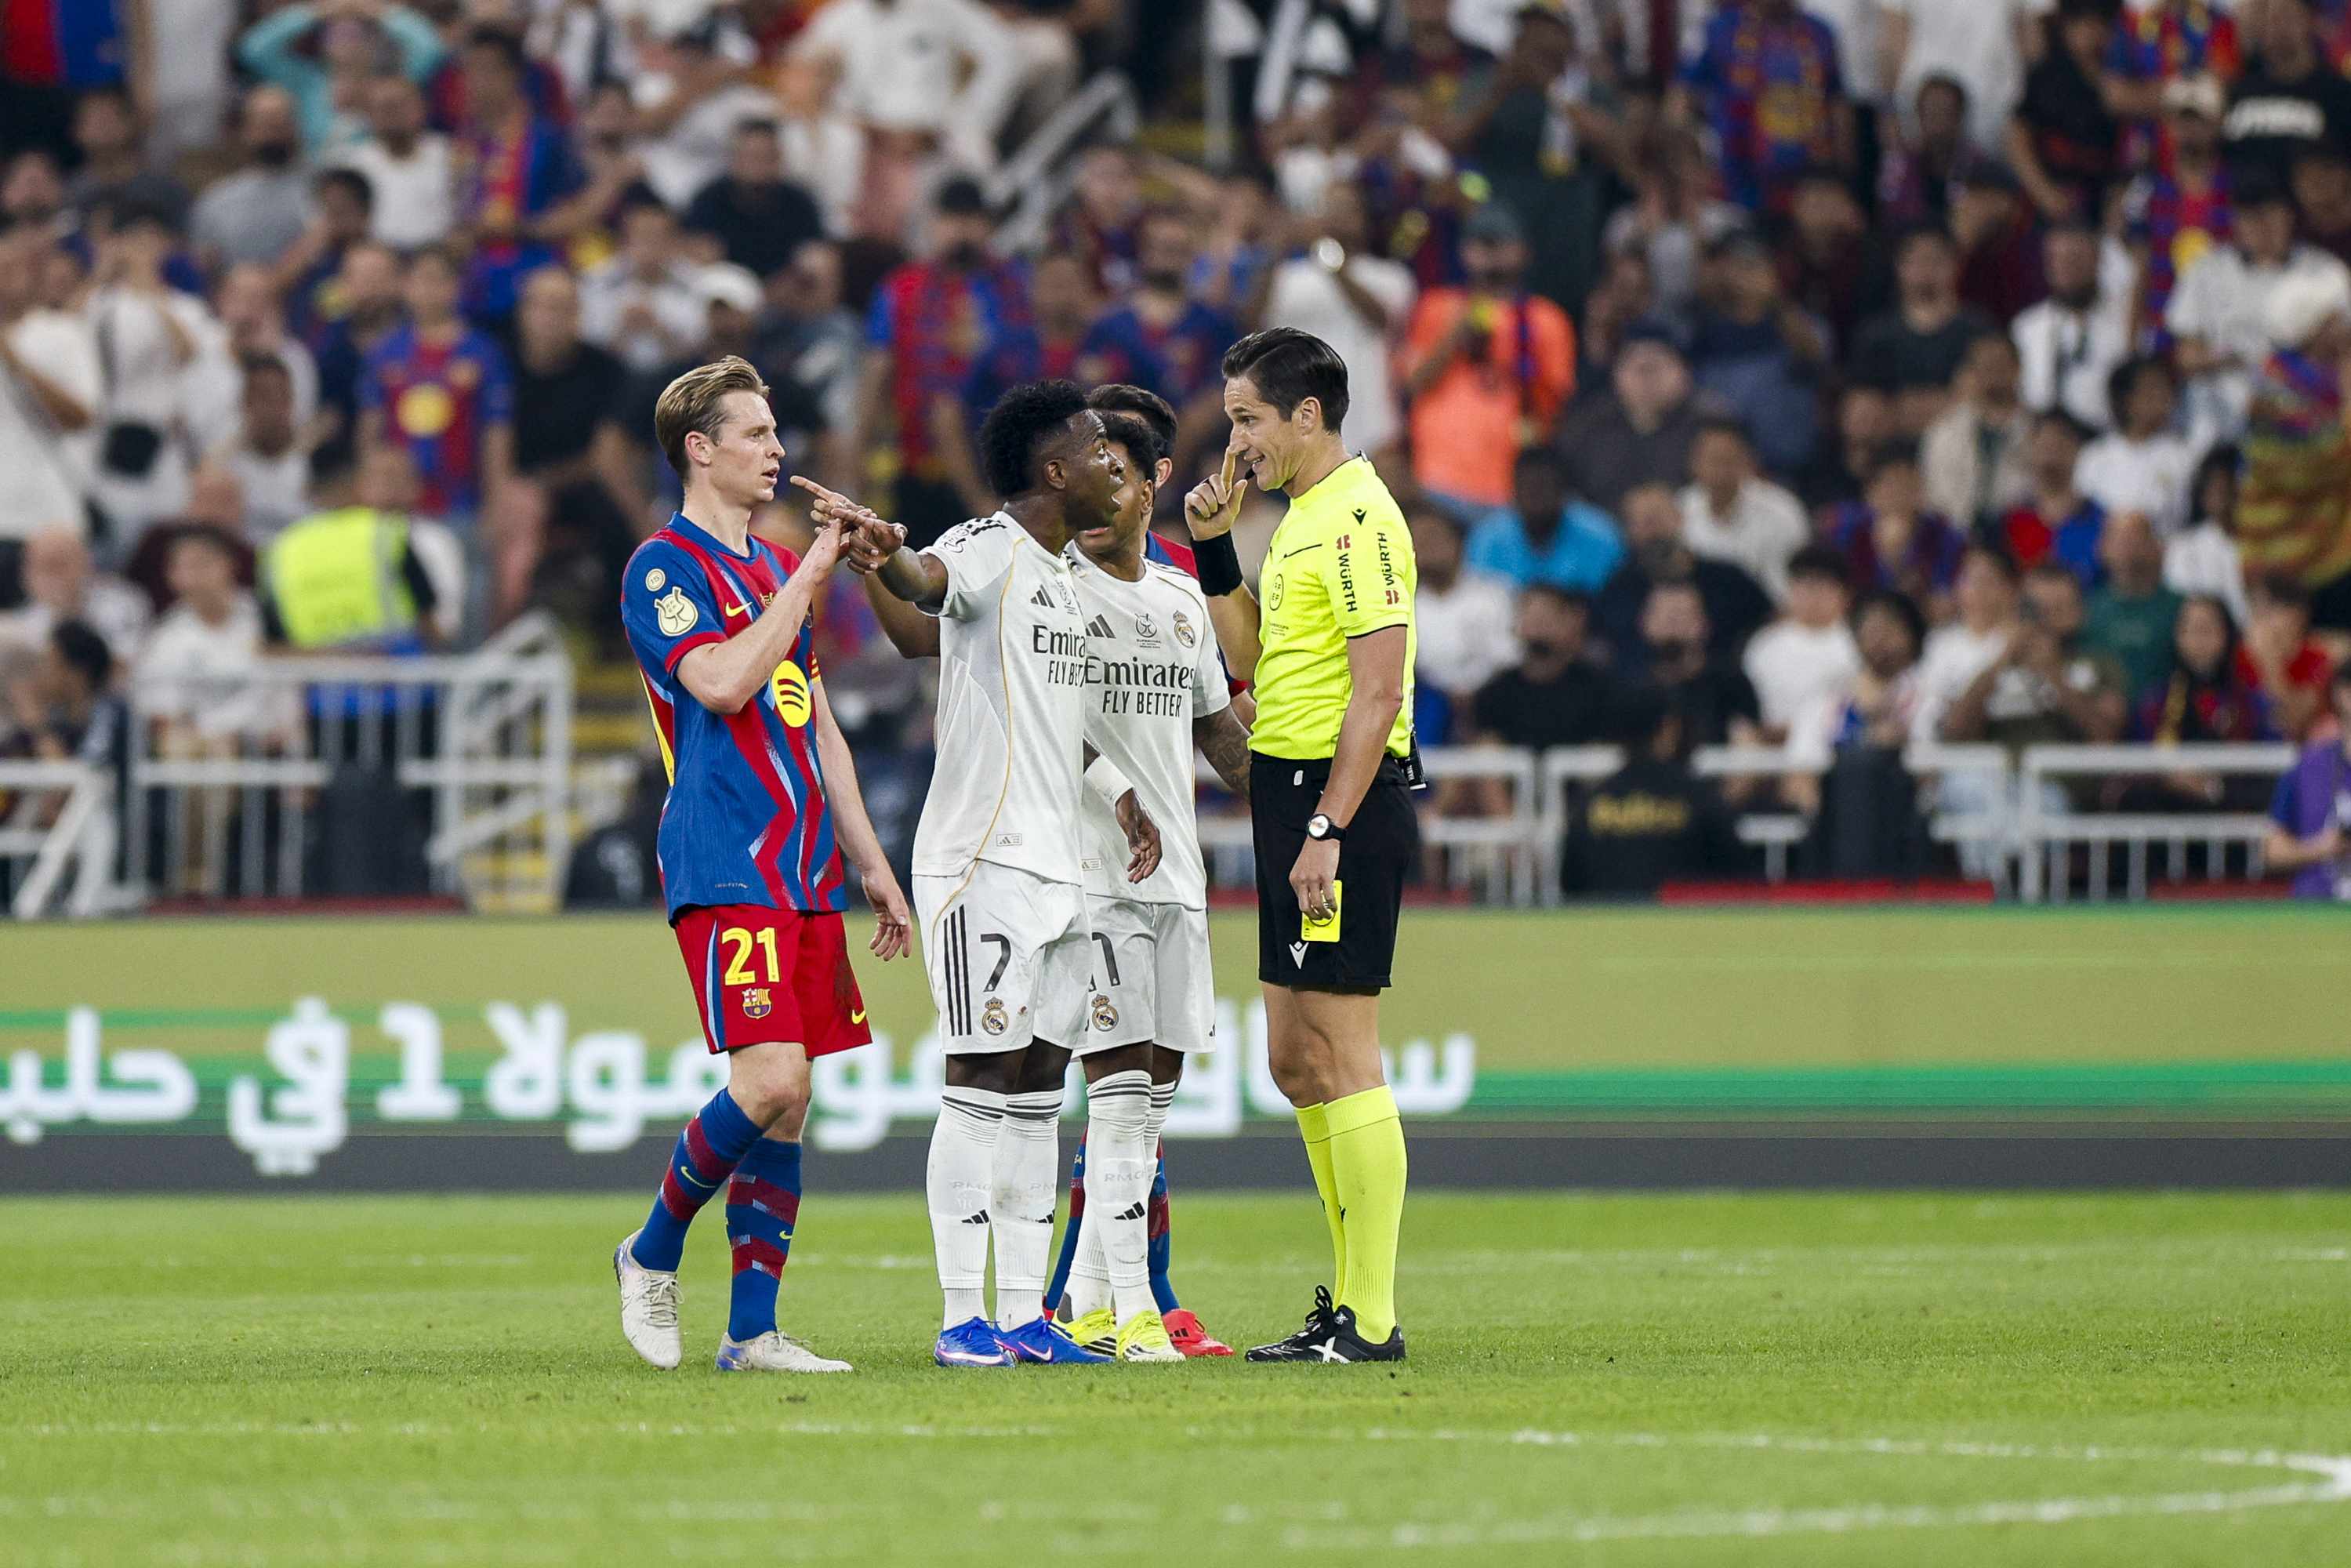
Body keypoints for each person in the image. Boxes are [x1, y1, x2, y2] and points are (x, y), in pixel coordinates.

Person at [822, 380, 1145, 1369]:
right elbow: (926, 585)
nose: (1112, 462)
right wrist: (884, 556)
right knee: (978, 1073)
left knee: (1040, 1085)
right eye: (1095, 446)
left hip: (1062, 864)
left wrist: (1117, 792)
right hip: (981, 858)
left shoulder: (1069, 578)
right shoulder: (986, 544)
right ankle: (961, 1314)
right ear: (1053, 469)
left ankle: (1023, 1315)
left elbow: (1049, 714)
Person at [609, 356, 912, 1377]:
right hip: (721, 849)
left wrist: (871, 860)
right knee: (768, 1076)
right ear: (699, 450)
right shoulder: (663, 567)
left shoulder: (774, 570)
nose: (777, 450)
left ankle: (751, 1332)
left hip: (802, 862)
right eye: (755, 434)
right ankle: (650, 1250)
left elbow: (814, 722)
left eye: (777, 434)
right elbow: (726, 683)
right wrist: (812, 572)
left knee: (792, 1097)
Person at [1180, 328, 1416, 1363]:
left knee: (1344, 1051)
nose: (1235, 441)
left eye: (1247, 419)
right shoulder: (1298, 520)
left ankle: (1370, 1316)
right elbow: (1253, 659)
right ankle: (1347, 1303)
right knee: (1292, 1059)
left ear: (1306, 415)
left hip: (1335, 800)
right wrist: (1212, 548)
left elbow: (1378, 693)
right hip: (1284, 791)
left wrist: (1327, 826)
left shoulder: (1360, 518)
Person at [1030, 409, 1253, 1363]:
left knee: (1148, 1110)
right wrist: (1116, 795)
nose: (1092, 495)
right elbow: (1045, 726)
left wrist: (1308, 794)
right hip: (1091, 877)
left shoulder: (1179, 598)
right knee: (1118, 1102)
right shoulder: (1051, 593)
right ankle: (1133, 1317)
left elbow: (1219, 735)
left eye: (1111, 475)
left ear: (1149, 484)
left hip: (1176, 882)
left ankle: (1082, 1306)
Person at [854, 177, 1032, 549]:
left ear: (989, 225)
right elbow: (875, 375)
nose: (963, 230)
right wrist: (859, 466)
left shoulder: (1018, 286)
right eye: (952, 218)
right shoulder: (902, 289)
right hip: (921, 469)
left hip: (1008, 470)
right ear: (934, 224)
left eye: (973, 218)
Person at [1396, 201, 1576, 520]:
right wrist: (1455, 337)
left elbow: (1556, 404)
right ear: (1463, 251)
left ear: (1524, 250)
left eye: (1500, 243)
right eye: (1480, 243)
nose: (1490, 254)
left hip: (1514, 487)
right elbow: (1411, 385)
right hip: (1438, 480)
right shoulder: (1437, 307)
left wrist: (1510, 352)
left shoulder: (1546, 318)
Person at [2168, 179, 2351, 450]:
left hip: (2306, 425)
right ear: (2236, 221)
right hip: (2224, 426)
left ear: (2289, 217)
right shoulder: (2207, 271)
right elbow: (2185, 356)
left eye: (2269, 215)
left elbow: (2344, 351)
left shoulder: (2325, 272)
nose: (2261, 227)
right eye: (2250, 217)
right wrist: (2247, 358)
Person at [359, 244, 514, 545]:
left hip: (461, 504)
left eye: (437, 280)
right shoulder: (385, 352)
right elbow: (370, 428)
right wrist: (370, 490)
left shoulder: (483, 353)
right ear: (404, 286)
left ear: (455, 286)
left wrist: (496, 502)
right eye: (420, 280)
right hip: (396, 507)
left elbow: (496, 432)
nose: (428, 290)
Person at [1261, 183, 1414, 466]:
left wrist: (1326, 253)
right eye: (1330, 208)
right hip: (1301, 430)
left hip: (1373, 429)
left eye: (1348, 209)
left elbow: (1382, 320)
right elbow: (1255, 324)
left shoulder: (1391, 277)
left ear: (1367, 218)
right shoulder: (1289, 276)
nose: (1338, 216)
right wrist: (1275, 250)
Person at [2234, 264, 2351, 631]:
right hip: (2279, 551)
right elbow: (2322, 458)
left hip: (2335, 549)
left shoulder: (2335, 376)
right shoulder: (2272, 387)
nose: (2346, 327)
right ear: (2313, 328)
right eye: (2336, 320)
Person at [1560, 682, 1743, 895]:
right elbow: (1735, 872)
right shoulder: (1699, 798)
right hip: (1684, 914)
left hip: (1607, 914)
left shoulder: (1591, 804)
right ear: (1669, 727)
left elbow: (1570, 883)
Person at [1678, 0, 1851, 219]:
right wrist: (1689, 172)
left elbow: (1838, 105)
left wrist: (1844, 179)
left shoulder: (1821, 33)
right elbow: (1681, 98)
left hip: (1808, 193)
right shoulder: (1718, 30)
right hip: (1735, 185)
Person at [1595, 480, 1773, 667]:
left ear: (1680, 517)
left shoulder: (1729, 579)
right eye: (1642, 523)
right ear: (1629, 531)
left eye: (1657, 519)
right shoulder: (1619, 589)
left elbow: (1767, 622)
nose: (1653, 531)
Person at [1784, 587, 1929, 812]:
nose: (1880, 639)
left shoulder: (1929, 697)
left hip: (1905, 815)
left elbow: (1930, 770)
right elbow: (1798, 776)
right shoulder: (1826, 700)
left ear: (1912, 635)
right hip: (1839, 817)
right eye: (1872, 629)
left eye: (1890, 628)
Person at [1849, 223, 1997, 437]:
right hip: (1891, 447)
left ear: (1955, 265)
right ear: (1900, 266)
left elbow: (1984, 398)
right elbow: (1865, 405)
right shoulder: (1875, 335)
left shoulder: (1978, 332)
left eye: (1936, 260)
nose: (1926, 270)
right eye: (1917, 261)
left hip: (1961, 444)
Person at [1554, 325, 1709, 514]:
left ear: (1685, 372)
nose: (1647, 379)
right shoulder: (1585, 426)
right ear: (1616, 373)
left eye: (1657, 367)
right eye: (1638, 368)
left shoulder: (1709, 426)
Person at [2012, 220, 2138, 434]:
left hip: (2107, 437)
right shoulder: (2027, 327)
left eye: (2076, 259)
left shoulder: (2126, 320)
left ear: (2098, 259)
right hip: (2041, 437)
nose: (2067, 269)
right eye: (2057, 261)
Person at [1407, 500, 1517, 739]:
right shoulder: (1400, 606)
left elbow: (1507, 657)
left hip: (1491, 707)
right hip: (1425, 714)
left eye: (1433, 538)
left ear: (1457, 542)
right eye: (1417, 541)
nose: (1426, 548)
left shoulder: (1494, 595)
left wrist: (1469, 696)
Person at [1825, 441, 1966, 618]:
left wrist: (1898, 561)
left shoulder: (1944, 535)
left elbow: (1944, 600)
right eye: (1891, 485)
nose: (1899, 495)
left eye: (1907, 486)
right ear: (1871, 492)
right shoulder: (1846, 529)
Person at [2222, 0, 2351, 191]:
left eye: (2288, 18)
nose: (2278, 28)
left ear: (2311, 21)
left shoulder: (2338, 93)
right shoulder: (2241, 90)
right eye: (2271, 20)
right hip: (2246, 204)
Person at [1678, 417, 1808, 603]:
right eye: (1712, 459)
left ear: (1748, 461)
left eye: (1728, 459)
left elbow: (1788, 588)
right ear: (1694, 462)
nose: (1719, 469)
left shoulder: (1783, 512)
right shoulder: (1680, 508)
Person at [187, 85, 314, 274]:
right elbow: (203, 267)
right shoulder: (215, 202)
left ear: (296, 128)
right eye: (265, 123)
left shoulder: (323, 189)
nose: (273, 132)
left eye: (280, 122)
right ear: (246, 129)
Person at [578, 193, 706, 376]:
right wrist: (624, 331)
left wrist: (657, 329)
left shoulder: (695, 284)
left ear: (673, 241)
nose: (649, 247)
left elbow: (698, 354)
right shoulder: (596, 282)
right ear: (624, 241)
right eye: (641, 237)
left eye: (657, 238)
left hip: (676, 379)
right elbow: (586, 354)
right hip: (610, 379)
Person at [1470, 586, 1612, 751]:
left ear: (1571, 623)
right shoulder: (1495, 694)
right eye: (1530, 613)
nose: (1538, 623)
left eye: (1548, 615)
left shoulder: (1599, 692)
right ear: (1515, 624)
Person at [1743, 544, 1860, 743]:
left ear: (1845, 594)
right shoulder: (1764, 645)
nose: (1812, 596)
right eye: (1803, 586)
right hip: (1768, 743)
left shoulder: (1856, 645)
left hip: (1833, 744)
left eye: (1821, 587)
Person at [684, 118, 824, 283]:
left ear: (779, 158)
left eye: (765, 157)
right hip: (726, 290)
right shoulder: (709, 201)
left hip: (783, 292)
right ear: (734, 158)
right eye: (751, 156)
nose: (757, 165)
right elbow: (694, 252)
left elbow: (814, 253)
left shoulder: (800, 204)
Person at [1466, 446, 1621, 594]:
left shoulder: (1601, 538)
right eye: (1528, 488)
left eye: (1543, 487)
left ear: (1563, 490)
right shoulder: (1488, 540)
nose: (1536, 497)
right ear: (1514, 490)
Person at [1913, 542, 2025, 746]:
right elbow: (1927, 703)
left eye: (1988, 580)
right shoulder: (1940, 643)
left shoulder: (2022, 640)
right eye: (1970, 580)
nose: (1978, 590)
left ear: (2011, 589)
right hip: (1944, 748)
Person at [1924, 331, 2034, 535]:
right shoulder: (1945, 432)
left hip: (2021, 534)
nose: (1994, 371)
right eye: (1986, 365)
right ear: (1972, 371)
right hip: (1958, 536)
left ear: (2018, 366)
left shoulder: (2037, 429)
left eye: (2001, 363)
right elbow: (1936, 494)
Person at [2074, 358, 2198, 536]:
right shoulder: (2095, 455)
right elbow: (2083, 512)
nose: (2162, 396)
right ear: (2127, 399)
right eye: (2151, 390)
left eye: (2166, 388)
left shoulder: (2181, 455)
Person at [1637, 579, 1764, 750]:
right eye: (1665, 617)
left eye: (1682, 616)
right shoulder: (1630, 688)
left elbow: (1748, 743)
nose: (1674, 627)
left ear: (1704, 623)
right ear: (1645, 623)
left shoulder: (1731, 684)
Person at [332, 74, 454, 251]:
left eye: (397, 106)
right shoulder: (353, 166)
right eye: (381, 108)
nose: (390, 114)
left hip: (440, 256)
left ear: (421, 107)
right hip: (377, 257)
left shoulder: (451, 156)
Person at [2262, 661, 2351, 898]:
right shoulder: (2308, 767)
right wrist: (2320, 848)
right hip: (2317, 903)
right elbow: (2272, 851)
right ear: (2342, 694)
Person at [2084, 509, 2190, 699]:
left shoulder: (2181, 607)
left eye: (2135, 538)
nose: (2126, 548)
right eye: (2117, 539)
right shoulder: (2091, 608)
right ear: (2101, 548)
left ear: (2156, 546)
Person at [1998, 408, 2106, 580]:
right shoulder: (2012, 518)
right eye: (2045, 446)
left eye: (2060, 446)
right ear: (2031, 449)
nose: (2051, 456)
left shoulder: (2099, 520)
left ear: (2077, 450)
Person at [2163, 443, 2249, 628]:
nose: (2222, 496)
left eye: (2229, 487)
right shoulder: (2184, 548)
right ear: (2202, 493)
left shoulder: (2266, 545)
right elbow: (2183, 609)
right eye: (2215, 488)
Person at [2237, 574, 2334, 739]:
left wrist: (2269, 662)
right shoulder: (2238, 656)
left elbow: (2294, 724)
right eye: (2254, 611)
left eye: (2267, 612)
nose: (2258, 622)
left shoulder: (2316, 657)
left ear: (2297, 614)